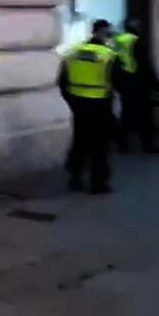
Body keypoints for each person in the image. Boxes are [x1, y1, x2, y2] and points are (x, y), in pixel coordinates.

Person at [59, 20, 118, 195]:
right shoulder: (107, 55)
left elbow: (62, 81)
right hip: (100, 105)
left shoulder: (73, 51)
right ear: (102, 33)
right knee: (100, 145)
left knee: (80, 140)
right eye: (107, 33)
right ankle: (98, 183)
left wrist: (72, 101)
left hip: (79, 105)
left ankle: (75, 176)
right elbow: (117, 81)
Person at [110, 17, 159, 153]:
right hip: (138, 83)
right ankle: (147, 144)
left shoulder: (117, 41)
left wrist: (116, 83)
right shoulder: (137, 42)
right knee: (145, 116)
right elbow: (145, 66)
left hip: (123, 82)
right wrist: (157, 85)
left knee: (127, 114)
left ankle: (123, 144)